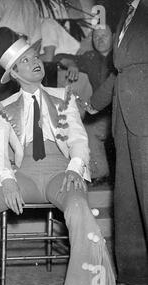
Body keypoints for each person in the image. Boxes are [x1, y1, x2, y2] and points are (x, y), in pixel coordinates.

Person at [0, 37, 117, 285]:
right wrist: (7, 179)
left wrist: (74, 167)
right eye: (25, 60)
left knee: (79, 208)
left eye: (35, 56)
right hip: (22, 175)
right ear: (13, 73)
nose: (35, 62)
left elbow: (78, 139)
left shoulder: (64, 97)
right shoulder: (4, 107)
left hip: (61, 173)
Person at [90, 0, 148, 285]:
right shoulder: (127, 12)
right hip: (124, 120)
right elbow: (119, 72)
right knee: (127, 198)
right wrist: (92, 103)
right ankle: (136, 273)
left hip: (146, 116)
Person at [54, 25, 117, 182]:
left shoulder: (121, 55)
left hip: (124, 110)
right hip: (103, 112)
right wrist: (72, 64)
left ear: (114, 36)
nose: (100, 39)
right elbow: (60, 57)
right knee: (88, 129)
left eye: (104, 35)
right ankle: (100, 175)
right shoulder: (90, 58)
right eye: (96, 37)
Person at [0, 0, 42, 130]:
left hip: (1, 54)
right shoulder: (32, 4)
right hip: (23, 54)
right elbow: (37, 41)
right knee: (15, 115)